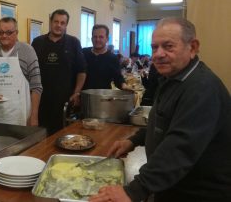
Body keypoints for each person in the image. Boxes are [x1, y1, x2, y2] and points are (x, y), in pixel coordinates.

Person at [90, 17, 231, 202]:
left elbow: (180, 148)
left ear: (193, 47)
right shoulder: (172, 79)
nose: (158, 54)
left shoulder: (202, 88)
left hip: (198, 193)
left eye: (168, 46)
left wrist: (134, 191)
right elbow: (161, 120)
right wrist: (133, 140)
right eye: (154, 47)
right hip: (170, 185)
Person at [32, 9, 86, 135]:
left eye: (63, 23)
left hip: (65, 100)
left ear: (66, 25)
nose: (59, 25)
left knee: (62, 136)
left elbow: (82, 71)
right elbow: (31, 70)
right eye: (56, 21)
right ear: (50, 22)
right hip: (41, 100)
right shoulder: (37, 42)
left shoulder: (74, 43)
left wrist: (77, 92)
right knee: (40, 135)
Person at [0, 17, 42, 126]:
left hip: (20, 117)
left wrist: (34, 116)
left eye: (9, 32)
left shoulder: (27, 51)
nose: (4, 36)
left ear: (16, 33)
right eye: (1, 32)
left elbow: (36, 86)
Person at [82, 24, 130, 90]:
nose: (97, 39)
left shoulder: (112, 58)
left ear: (107, 39)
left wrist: (124, 85)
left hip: (104, 97)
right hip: (83, 96)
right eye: (95, 37)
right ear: (91, 38)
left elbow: (118, 78)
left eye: (101, 37)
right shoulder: (83, 53)